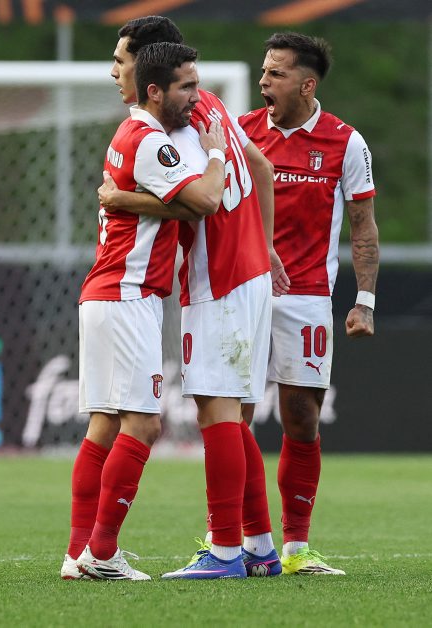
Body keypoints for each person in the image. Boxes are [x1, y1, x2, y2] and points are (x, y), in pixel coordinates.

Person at [96, 15, 285, 580]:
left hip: (220, 276)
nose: (117, 71)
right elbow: (262, 166)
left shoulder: (176, 124)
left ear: (149, 70)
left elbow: (202, 200)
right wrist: (267, 245)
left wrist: (123, 199)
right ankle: (259, 547)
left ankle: (224, 551)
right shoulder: (214, 106)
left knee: (217, 411)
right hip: (250, 268)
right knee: (233, 416)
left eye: (123, 60)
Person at [64, 41, 228, 581]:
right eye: (186, 86)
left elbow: (167, 204)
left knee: (104, 425)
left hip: (107, 292)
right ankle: (102, 553)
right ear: (155, 89)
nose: (196, 96)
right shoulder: (152, 141)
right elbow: (205, 201)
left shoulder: (128, 132)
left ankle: (78, 553)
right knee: (144, 424)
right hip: (128, 295)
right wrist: (215, 153)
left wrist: (128, 200)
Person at [237, 32, 379, 575]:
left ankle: (297, 547)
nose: (263, 81)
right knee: (235, 417)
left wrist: (364, 300)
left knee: (301, 417)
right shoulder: (242, 133)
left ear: (306, 84)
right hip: (244, 293)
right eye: (264, 71)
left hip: (308, 298)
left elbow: (363, 227)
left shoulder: (346, 142)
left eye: (275, 73)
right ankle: (238, 541)